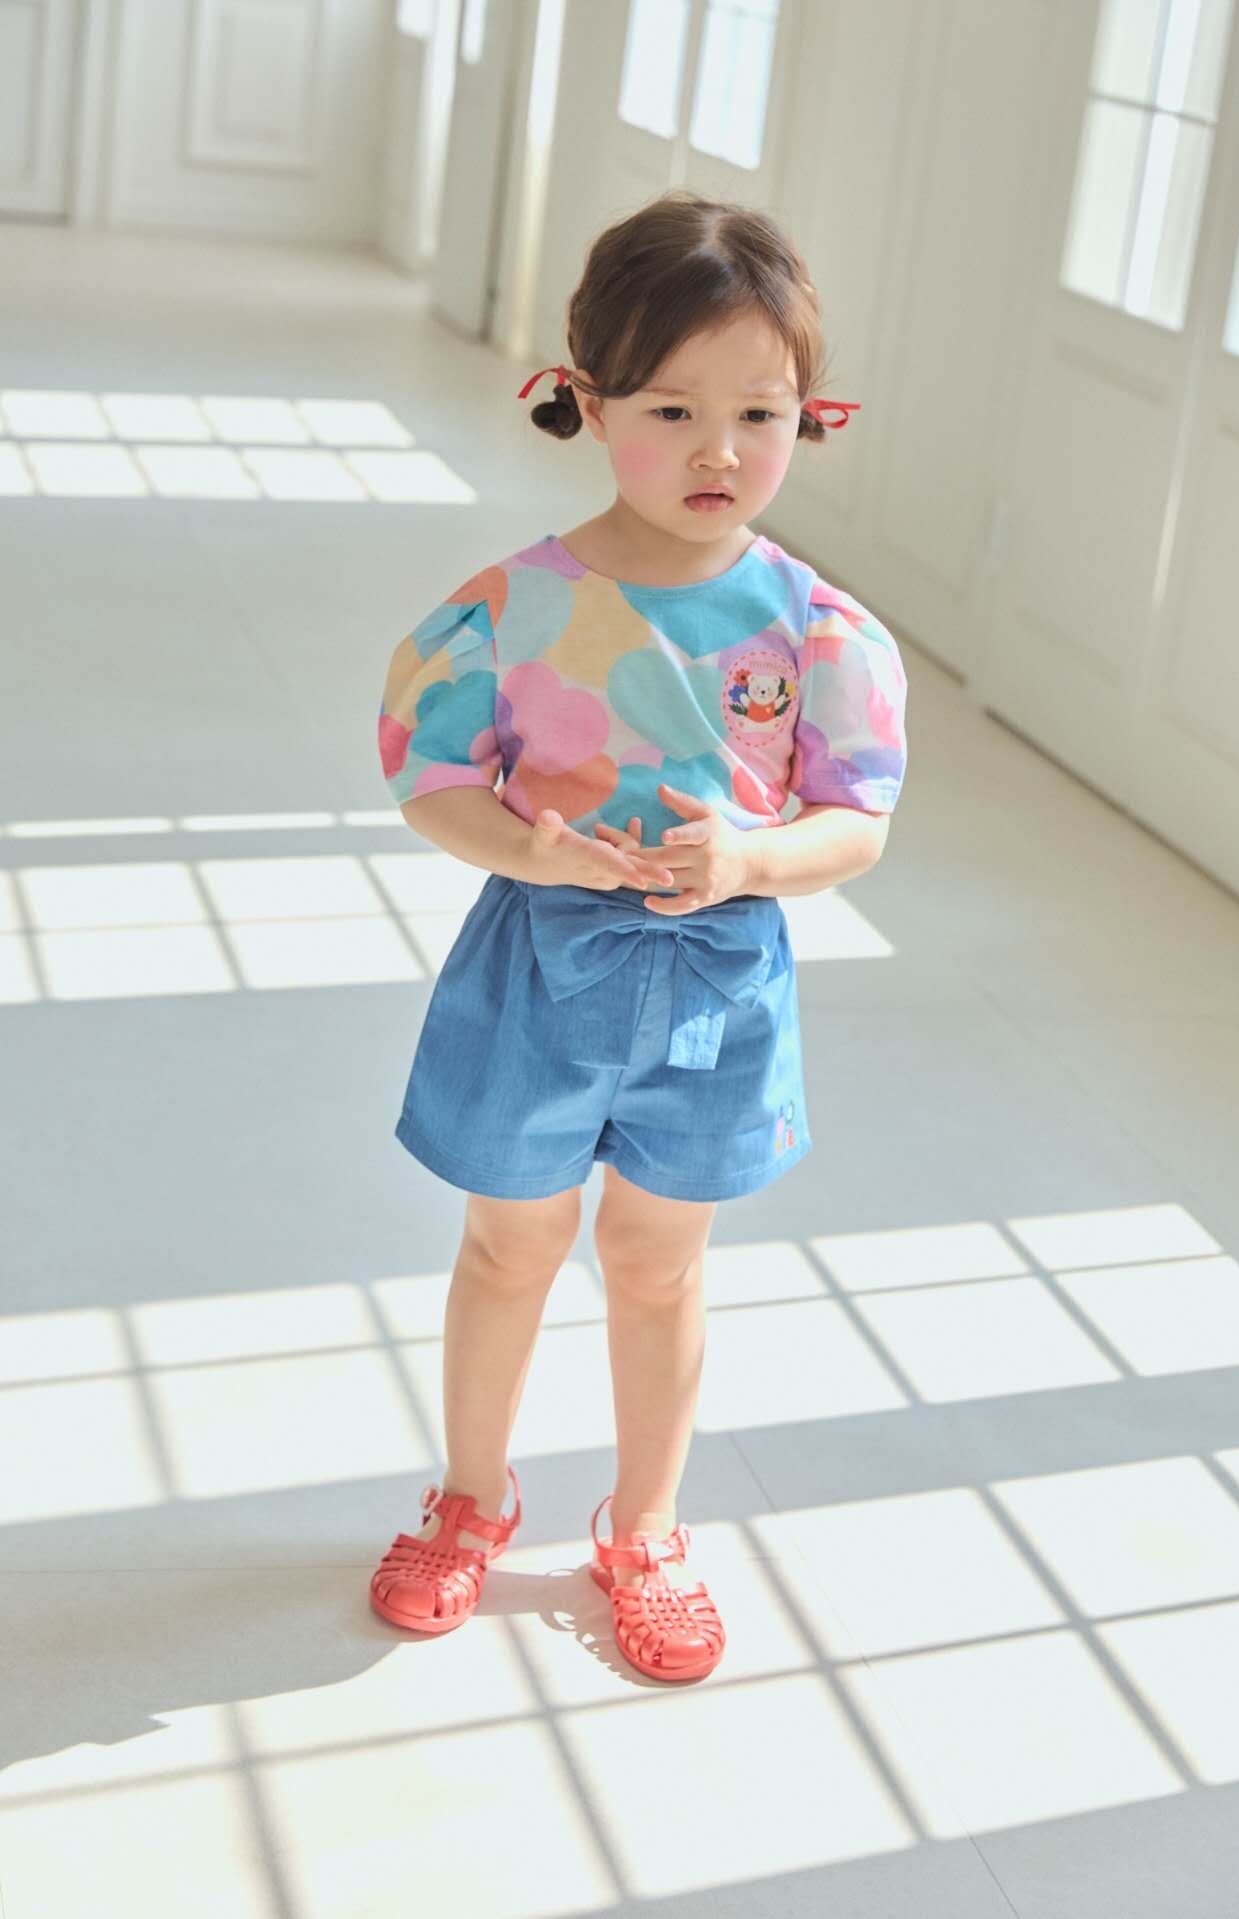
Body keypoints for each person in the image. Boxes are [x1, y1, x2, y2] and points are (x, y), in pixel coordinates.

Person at [368, 189, 909, 1683]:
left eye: (760, 414)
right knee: (509, 1245)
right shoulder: (510, 610)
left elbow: (856, 820)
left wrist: (751, 857)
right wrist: (528, 847)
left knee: (661, 1263)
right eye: (674, 410)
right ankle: (470, 1499)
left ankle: (648, 1527)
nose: (720, 450)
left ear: (809, 417)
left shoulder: (817, 630)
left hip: (717, 987)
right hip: (537, 973)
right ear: (591, 403)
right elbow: (431, 777)